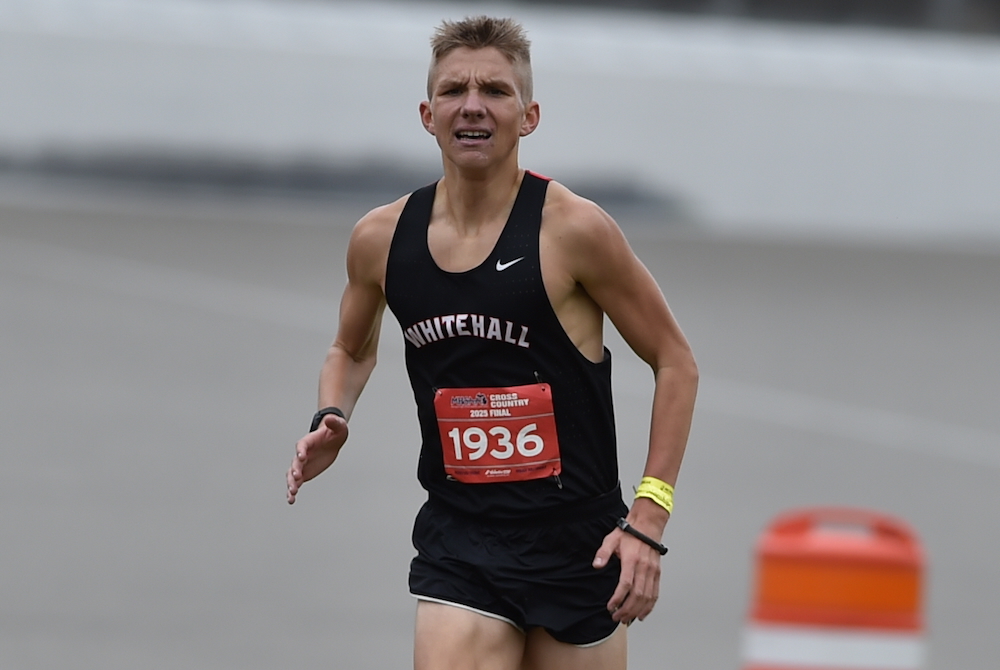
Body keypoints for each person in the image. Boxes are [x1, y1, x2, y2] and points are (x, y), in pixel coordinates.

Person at [285, 15, 697, 670]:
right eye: (454, 90)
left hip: (579, 544)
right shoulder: (381, 239)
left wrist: (649, 516)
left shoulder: (575, 230)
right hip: (462, 540)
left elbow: (675, 361)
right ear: (428, 114)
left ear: (529, 116)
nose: (472, 105)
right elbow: (352, 349)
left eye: (495, 91)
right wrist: (332, 413)